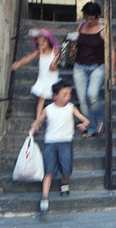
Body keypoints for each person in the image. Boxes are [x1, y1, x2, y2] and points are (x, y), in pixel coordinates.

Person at [29, 81, 90, 213]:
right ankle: (44, 197)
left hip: (66, 143)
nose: (68, 97)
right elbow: (37, 121)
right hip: (50, 143)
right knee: (48, 170)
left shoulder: (71, 108)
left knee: (66, 168)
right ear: (55, 96)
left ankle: (65, 183)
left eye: (69, 94)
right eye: (64, 94)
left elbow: (85, 119)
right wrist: (32, 130)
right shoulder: (48, 109)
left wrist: (84, 124)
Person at [73, 2, 116, 138]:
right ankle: (91, 128)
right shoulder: (80, 27)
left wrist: (112, 74)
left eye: (92, 18)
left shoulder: (104, 30)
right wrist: (71, 47)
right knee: (83, 100)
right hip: (79, 67)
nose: (89, 21)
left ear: (97, 17)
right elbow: (73, 45)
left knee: (91, 94)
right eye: (86, 17)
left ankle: (101, 120)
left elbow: (112, 52)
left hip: (98, 67)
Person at [11, 28, 60, 118]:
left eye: (43, 42)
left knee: (54, 98)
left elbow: (58, 64)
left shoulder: (55, 52)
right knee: (41, 98)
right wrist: (18, 64)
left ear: (48, 41)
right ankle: (38, 118)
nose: (41, 45)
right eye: (39, 43)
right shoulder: (39, 52)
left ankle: (54, 116)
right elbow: (27, 58)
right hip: (43, 79)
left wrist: (54, 66)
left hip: (52, 79)